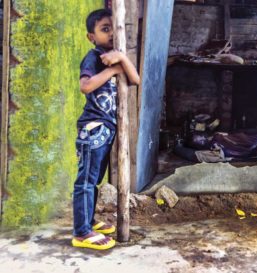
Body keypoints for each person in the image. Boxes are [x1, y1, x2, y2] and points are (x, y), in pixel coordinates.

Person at [71, 9, 140, 250]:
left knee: (95, 180)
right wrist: (111, 70)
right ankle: (81, 232)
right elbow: (86, 86)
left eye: (113, 28)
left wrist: (122, 58)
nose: (111, 33)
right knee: (86, 181)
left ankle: (88, 222)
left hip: (106, 129)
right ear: (92, 36)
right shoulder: (93, 57)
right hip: (93, 127)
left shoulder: (115, 56)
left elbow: (135, 80)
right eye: (104, 29)